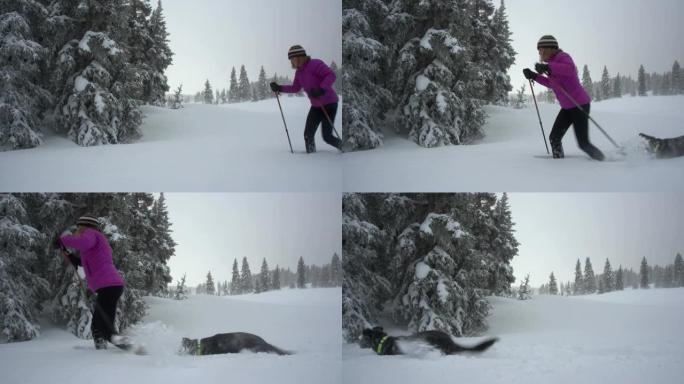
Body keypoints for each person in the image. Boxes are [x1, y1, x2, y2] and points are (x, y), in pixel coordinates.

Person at [523, 35, 605, 161]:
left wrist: (549, 68)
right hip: (567, 107)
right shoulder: (550, 64)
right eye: (539, 50)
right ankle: (559, 162)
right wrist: (534, 76)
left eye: (541, 49)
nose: (540, 52)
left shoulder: (563, 57)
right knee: (554, 137)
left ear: (550, 48)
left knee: (583, 143)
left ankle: (603, 160)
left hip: (579, 104)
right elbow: (551, 83)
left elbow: (570, 69)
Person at [59, 216, 124, 350]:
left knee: (104, 326)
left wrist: (62, 240)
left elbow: (83, 243)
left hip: (109, 286)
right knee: (99, 323)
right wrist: (70, 256)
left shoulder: (91, 234)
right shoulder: (96, 241)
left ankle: (127, 347)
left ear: (83, 226)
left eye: (77, 228)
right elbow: (85, 263)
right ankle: (101, 350)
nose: (76, 231)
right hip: (109, 286)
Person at [270, 45, 341, 153]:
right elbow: (295, 88)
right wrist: (279, 88)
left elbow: (331, 75)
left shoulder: (315, 64)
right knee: (308, 134)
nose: (291, 62)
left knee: (327, 137)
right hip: (316, 106)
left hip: (329, 104)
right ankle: (311, 157)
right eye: (290, 59)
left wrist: (321, 89)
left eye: (292, 59)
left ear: (299, 57)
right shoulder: (299, 73)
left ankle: (345, 147)